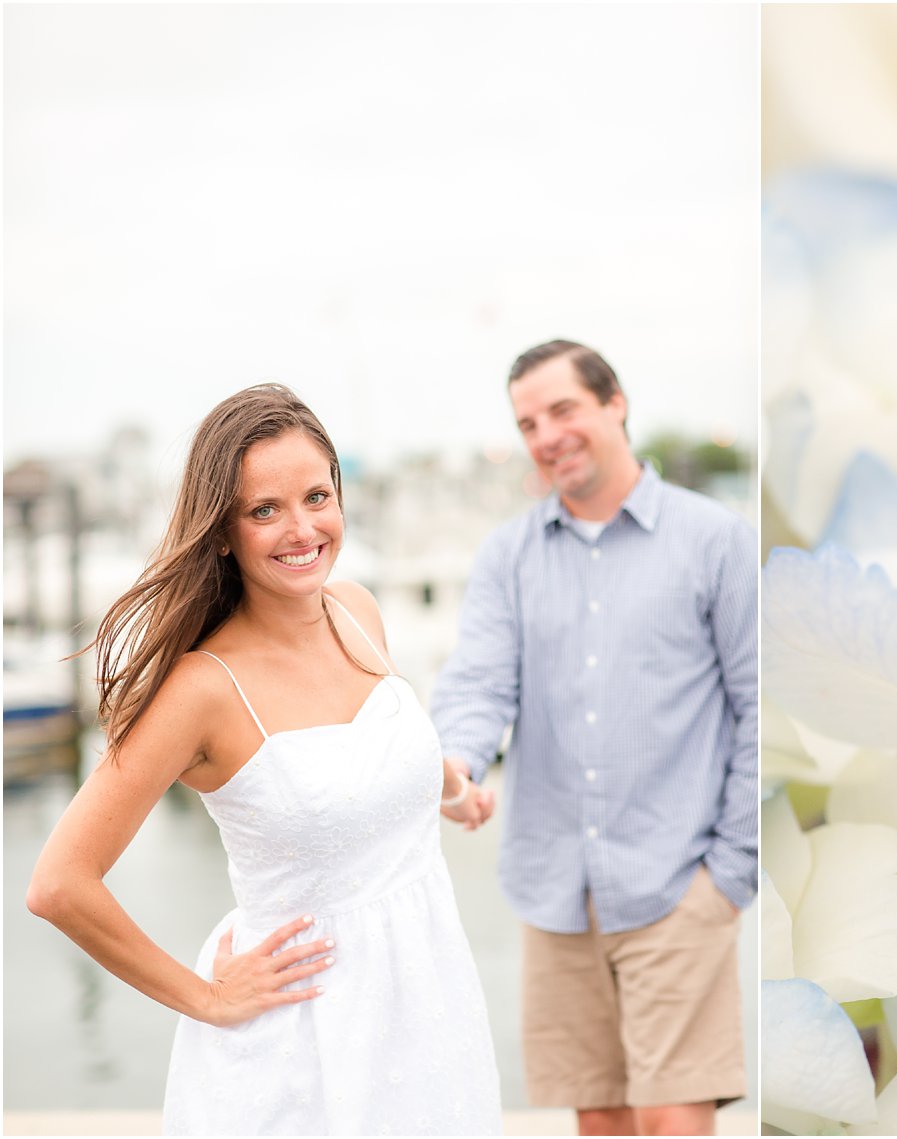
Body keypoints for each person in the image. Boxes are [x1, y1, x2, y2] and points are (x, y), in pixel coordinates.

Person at [27, 384, 503, 1136]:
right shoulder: (199, 691)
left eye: (318, 495)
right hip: (301, 1048)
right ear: (222, 532)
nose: (302, 527)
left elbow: (378, 748)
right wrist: (208, 996)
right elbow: (58, 884)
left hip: (428, 1008)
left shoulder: (359, 610)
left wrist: (447, 786)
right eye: (264, 509)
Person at [430, 340, 757, 1136]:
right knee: (600, 1117)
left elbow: (760, 705)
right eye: (528, 422)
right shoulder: (507, 555)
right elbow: (478, 684)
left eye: (563, 409)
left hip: (678, 882)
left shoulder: (716, 540)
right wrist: (456, 766)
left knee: (672, 1116)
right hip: (553, 889)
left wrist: (729, 874)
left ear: (615, 403)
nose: (546, 435)